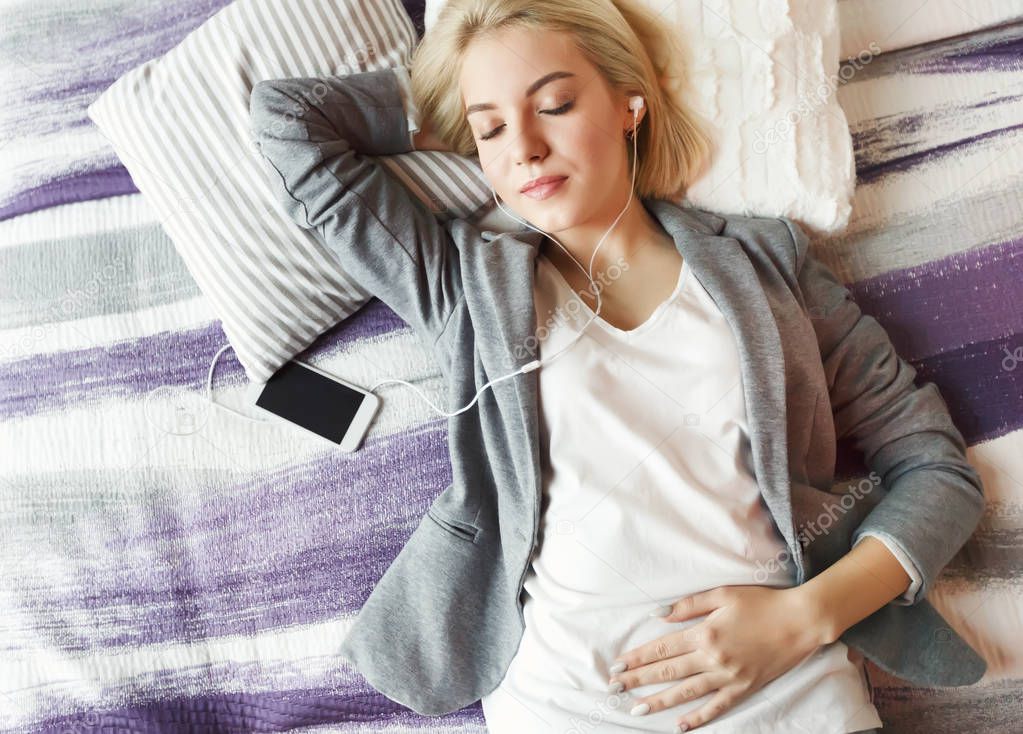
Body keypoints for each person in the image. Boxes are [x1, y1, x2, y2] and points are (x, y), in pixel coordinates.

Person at [247, 0, 986, 730]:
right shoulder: (462, 284)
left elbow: (934, 469)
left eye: (556, 104)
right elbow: (289, 123)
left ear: (628, 103)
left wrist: (804, 617)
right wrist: (446, 105)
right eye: (492, 129)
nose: (526, 147)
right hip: (562, 704)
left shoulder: (766, 261)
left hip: (790, 698)